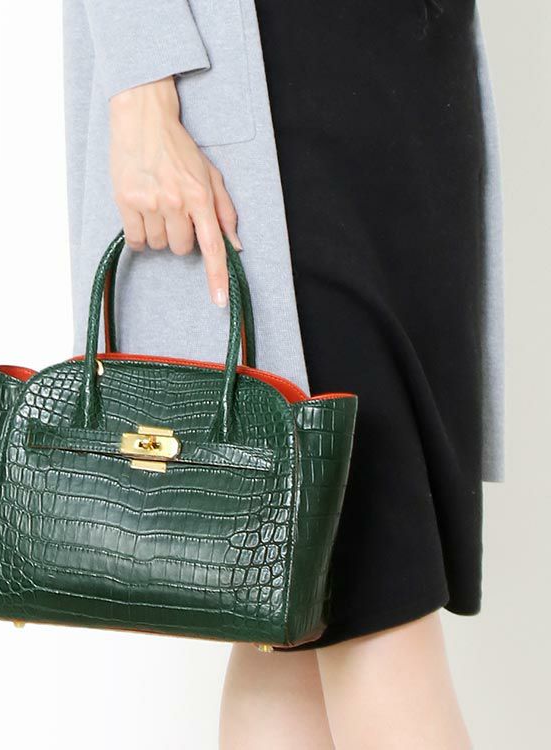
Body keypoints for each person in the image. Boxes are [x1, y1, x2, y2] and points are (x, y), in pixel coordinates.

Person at [62, 1, 504, 747]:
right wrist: (139, 81)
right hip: (269, 92)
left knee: (293, 608)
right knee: (372, 585)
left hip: (414, 92)